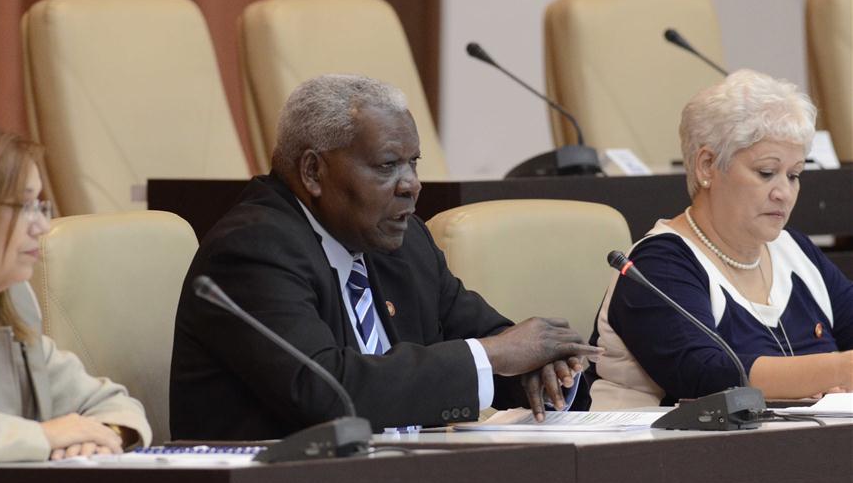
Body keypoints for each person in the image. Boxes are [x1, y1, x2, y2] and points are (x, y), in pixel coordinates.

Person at [170, 74, 602, 440]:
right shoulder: (252, 249)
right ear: (312, 172)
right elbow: (326, 392)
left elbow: (485, 340)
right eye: (387, 165)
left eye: (414, 163)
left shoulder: (401, 240)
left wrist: (542, 372)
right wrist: (493, 356)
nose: (411, 185)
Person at [589, 70, 853, 409]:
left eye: (794, 175)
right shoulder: (658, 265)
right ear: (707, 166)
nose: (784, 193)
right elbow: (707, 376)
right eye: (766, 172)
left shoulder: (795, 251)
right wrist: (839, 370)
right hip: (651, 456)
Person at [0, 121, 151, 463]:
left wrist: (102, 436)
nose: (43, 226)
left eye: (41, 207)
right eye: (25, 206)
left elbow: (109, 402)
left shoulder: (14, 303)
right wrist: (44, 436)